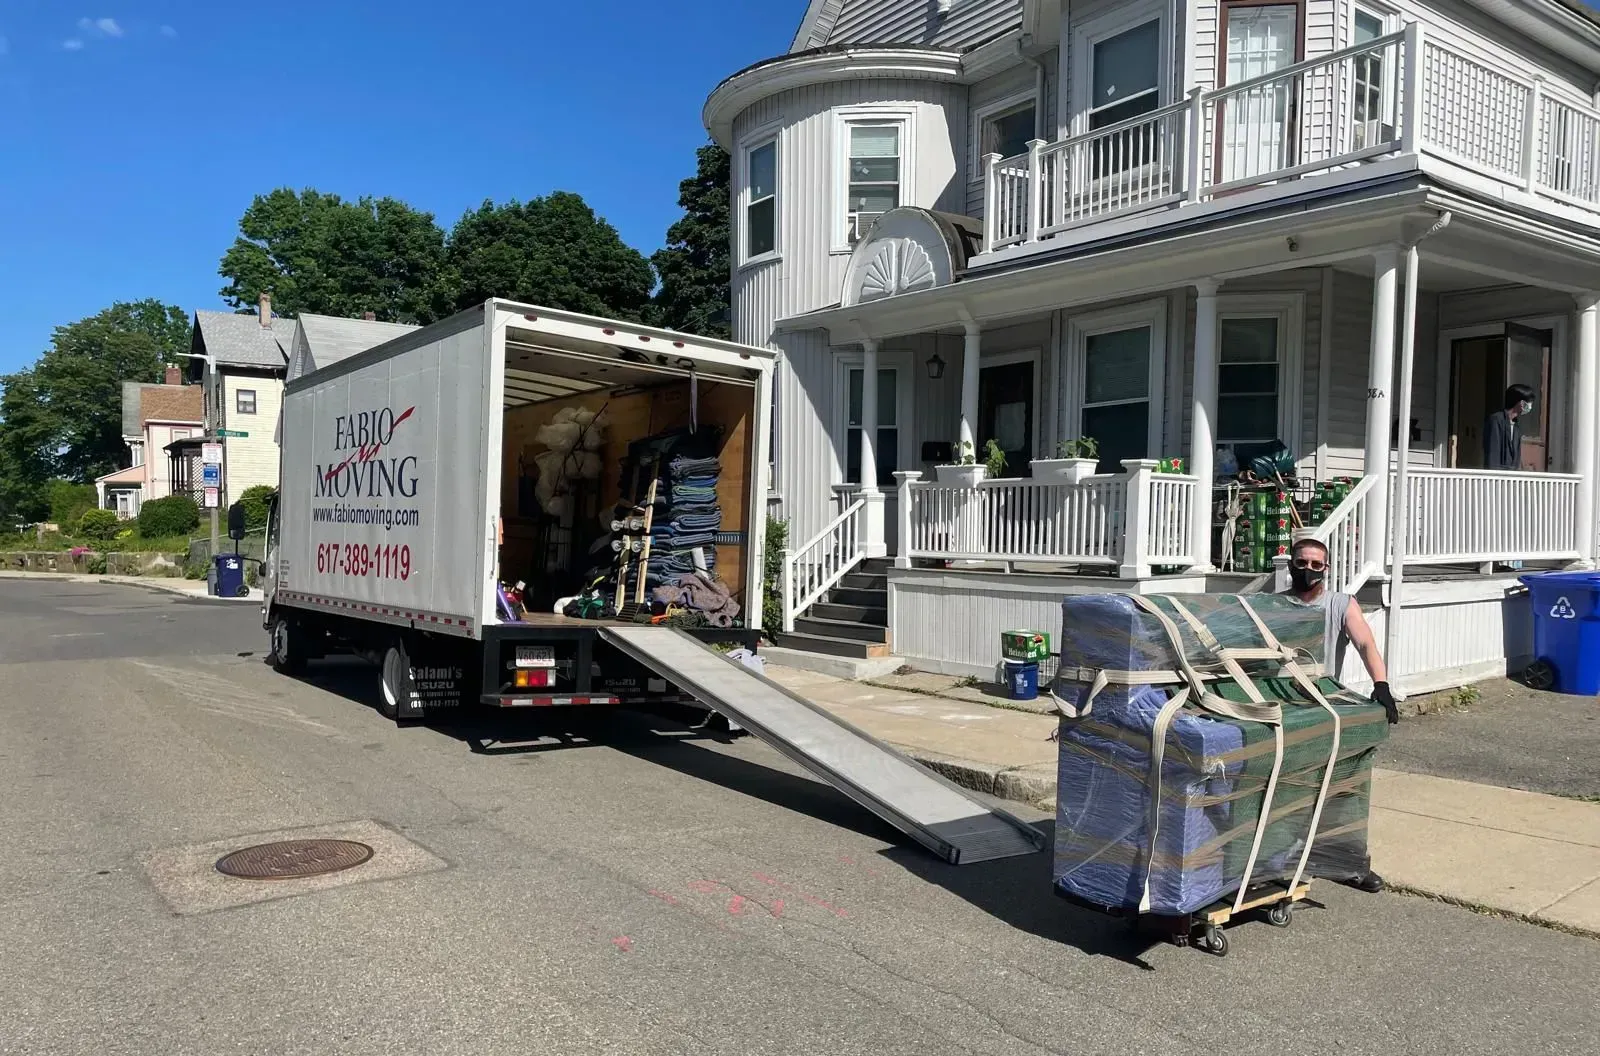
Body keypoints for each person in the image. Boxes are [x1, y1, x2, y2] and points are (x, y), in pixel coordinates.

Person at [1284, 534, 1399, 894]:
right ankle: (1280, 859)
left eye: (1316, 565)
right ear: (1291, 564)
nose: (1308, 570)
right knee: (1289, 790)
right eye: (1302, 563)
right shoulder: (1271, 606)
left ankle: (1347, 864)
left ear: (1326, 569)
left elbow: (1365, 642)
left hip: (1326, 707)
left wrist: (1381, 686)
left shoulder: (1340, 604)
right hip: (1283, 706)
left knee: (1342, 788)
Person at [1483, 383, 1535, 471]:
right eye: (1529, 402)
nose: (1530, 406)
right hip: (1498, 478)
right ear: (1521, 403)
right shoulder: (1496, 420)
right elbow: (1493, 454)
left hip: (1511, 479)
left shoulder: (1516, 427)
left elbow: (1516, 458)